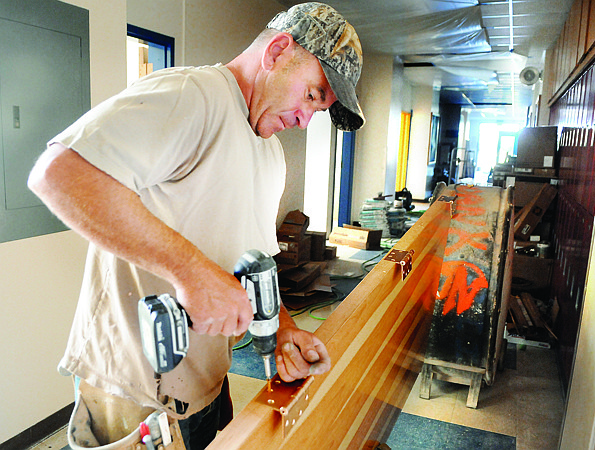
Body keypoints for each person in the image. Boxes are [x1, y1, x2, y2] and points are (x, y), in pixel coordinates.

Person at [28, 2, 364, 449]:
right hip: (133, 393)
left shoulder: (270, 153)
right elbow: (58, 174)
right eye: (312, 95)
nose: (306, 120)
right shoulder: (191, 97)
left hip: (204, 384)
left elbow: (254, 264)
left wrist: (282, 328)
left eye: (319, 109)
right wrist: (191, 271)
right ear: (278, 51)